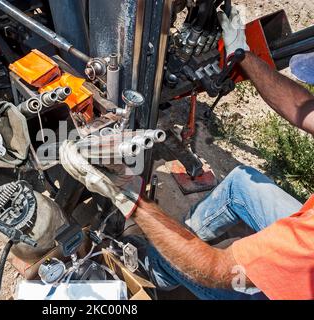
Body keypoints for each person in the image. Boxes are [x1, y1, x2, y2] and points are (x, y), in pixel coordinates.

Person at [59, 7, 314, 300]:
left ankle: (154, 267)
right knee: (240, 185)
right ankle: (179, 241)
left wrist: (127, 195)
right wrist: (243, 56)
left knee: (217, 273)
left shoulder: (306, 245)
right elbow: (305, 110)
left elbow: (215, 268)